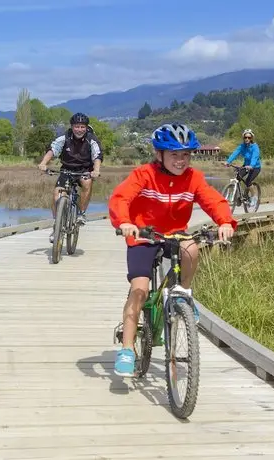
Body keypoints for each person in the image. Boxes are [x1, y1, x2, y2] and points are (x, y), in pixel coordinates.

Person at [108, 123, 237, 377]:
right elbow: (120, 197)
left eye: (186, 154)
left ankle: (183, 294)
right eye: (175, 154)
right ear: (160, 155)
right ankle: (126, 349)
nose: (181, 160)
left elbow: (213, 200)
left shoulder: (194, 178)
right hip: (144, 236)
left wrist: (225, 222)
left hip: (175, 234)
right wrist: (124, 222)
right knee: (140, 290)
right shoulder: (143, 175)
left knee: (191, 247)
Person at [38, 112, 103, 242]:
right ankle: (57, 225)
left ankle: (81, 214)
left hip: (84, 170)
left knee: (87, 183)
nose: (79, 130)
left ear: (86, 127)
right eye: (76, 126)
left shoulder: (92, 139)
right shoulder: (64, 138)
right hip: (67, 169)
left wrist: (96, 170)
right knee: (57, 194)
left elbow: (97, 156)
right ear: (72, 127)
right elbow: (52, 150)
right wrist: (43, 163)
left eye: (82, 127)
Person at [225, 128, 261, 196]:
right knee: (238, 178)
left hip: (255, 167)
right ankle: (237, 196)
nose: (247, 139)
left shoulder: (255, 147)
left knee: (248, 181)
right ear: (243, 138)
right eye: (245, 137)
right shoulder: (242, 146)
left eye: (249, 137)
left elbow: (254, 157)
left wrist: (251, 165)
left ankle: (254, 197)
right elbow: (235, 153)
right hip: (246, 165)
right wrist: (228, 162)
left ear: (251, 138)